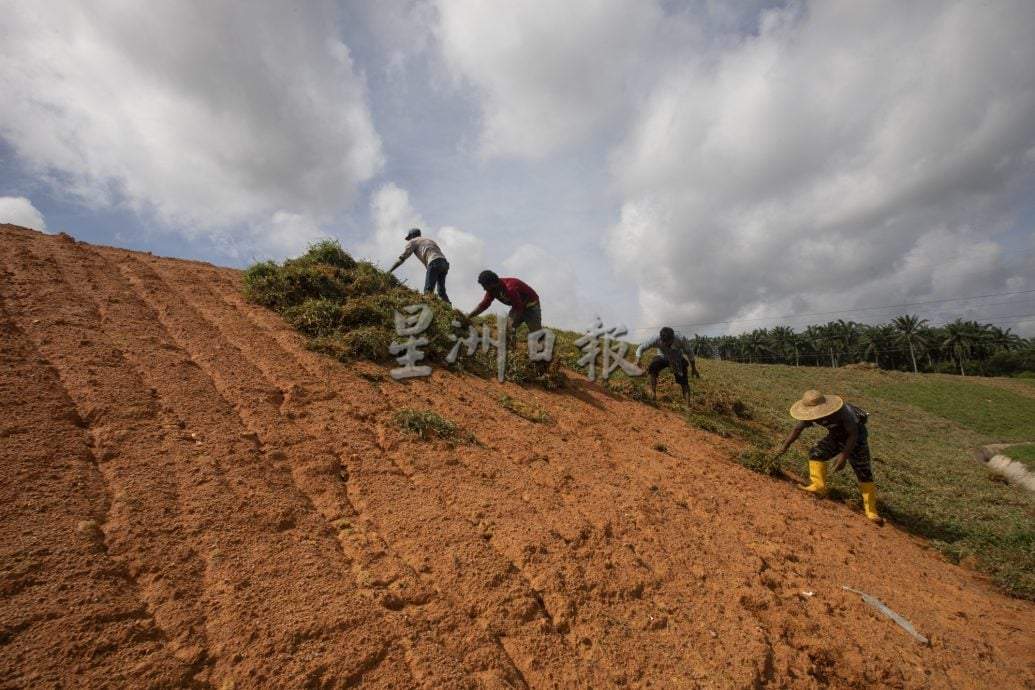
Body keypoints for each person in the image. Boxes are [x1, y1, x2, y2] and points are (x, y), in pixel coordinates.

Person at [774, 390, 883, 525]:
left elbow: (853, 434)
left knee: (863, 472)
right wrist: (785, 446)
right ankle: (818, 486)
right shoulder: (811, 414)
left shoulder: (843, 412)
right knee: (817, 452)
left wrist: (843, 455)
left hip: (856, 441)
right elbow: (797, 429)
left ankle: (871, 510)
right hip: (836, 437)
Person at [634, 327, 700, 405]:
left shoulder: (681, 338)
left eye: (668, 342)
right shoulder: (655, 338)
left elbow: (690, 352)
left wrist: (694, 369)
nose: (666, 344)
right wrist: (638, 360)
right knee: (653, 367)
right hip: (662, 356)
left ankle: (687, 405)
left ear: (672, 338)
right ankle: (653, 393)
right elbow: (641, 347)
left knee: (684, 381)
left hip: (677, 358)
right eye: (664, 341)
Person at [467, 270, 541, 339]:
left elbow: (519, 309)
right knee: (507, 330)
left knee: (537, 335)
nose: (484, 289)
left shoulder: (510, 288)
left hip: (531, 307)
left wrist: (511, 324)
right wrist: (468, 317)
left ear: (492, 284)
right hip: (517, 306)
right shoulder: (492, 290)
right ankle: (511, 345)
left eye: (485, 286)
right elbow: (484, 304)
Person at [388, 228, 450, 304]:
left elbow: (402, 258)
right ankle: (448, 307)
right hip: (444, 263)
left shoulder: (413, 241)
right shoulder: (429, 240)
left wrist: (389, 271)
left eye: (409, 237)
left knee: (428, 290)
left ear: (412, 235)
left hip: (434, 262)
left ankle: (428, 305)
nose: (409, 239)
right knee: (441, 291)